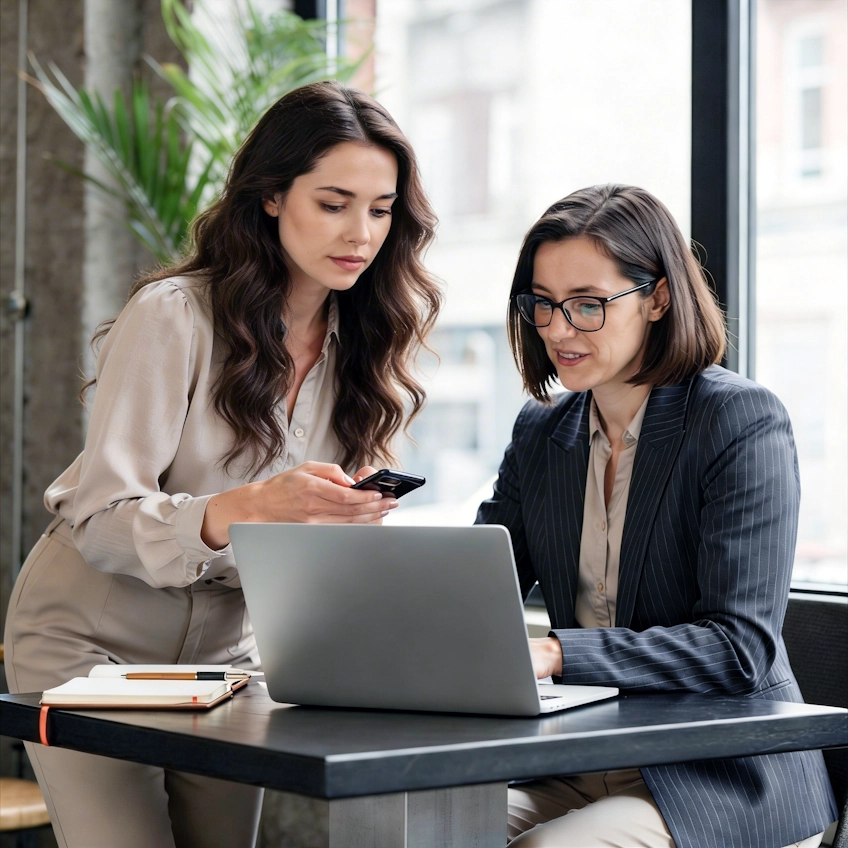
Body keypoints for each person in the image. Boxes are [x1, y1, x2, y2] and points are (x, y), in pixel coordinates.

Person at [4, 80, 441, 848]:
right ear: (271, 197)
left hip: (230, 658)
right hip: (89, 640)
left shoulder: (371, 344)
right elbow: (101, 523)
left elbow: (323, 551)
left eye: (381, 210)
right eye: (333, 202)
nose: (361, 233)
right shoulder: (174, 315)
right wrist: (249, 507)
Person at [476, 184, 836, 848]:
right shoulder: (540, 433)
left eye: (588, 304)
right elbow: (475, 589)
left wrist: (559, 653)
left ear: (658, 298)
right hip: (581, 761)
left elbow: (739, 649)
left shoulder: (737, 421)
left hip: (718, 776)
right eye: (544, 305)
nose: (558, 328)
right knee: (415, 825)